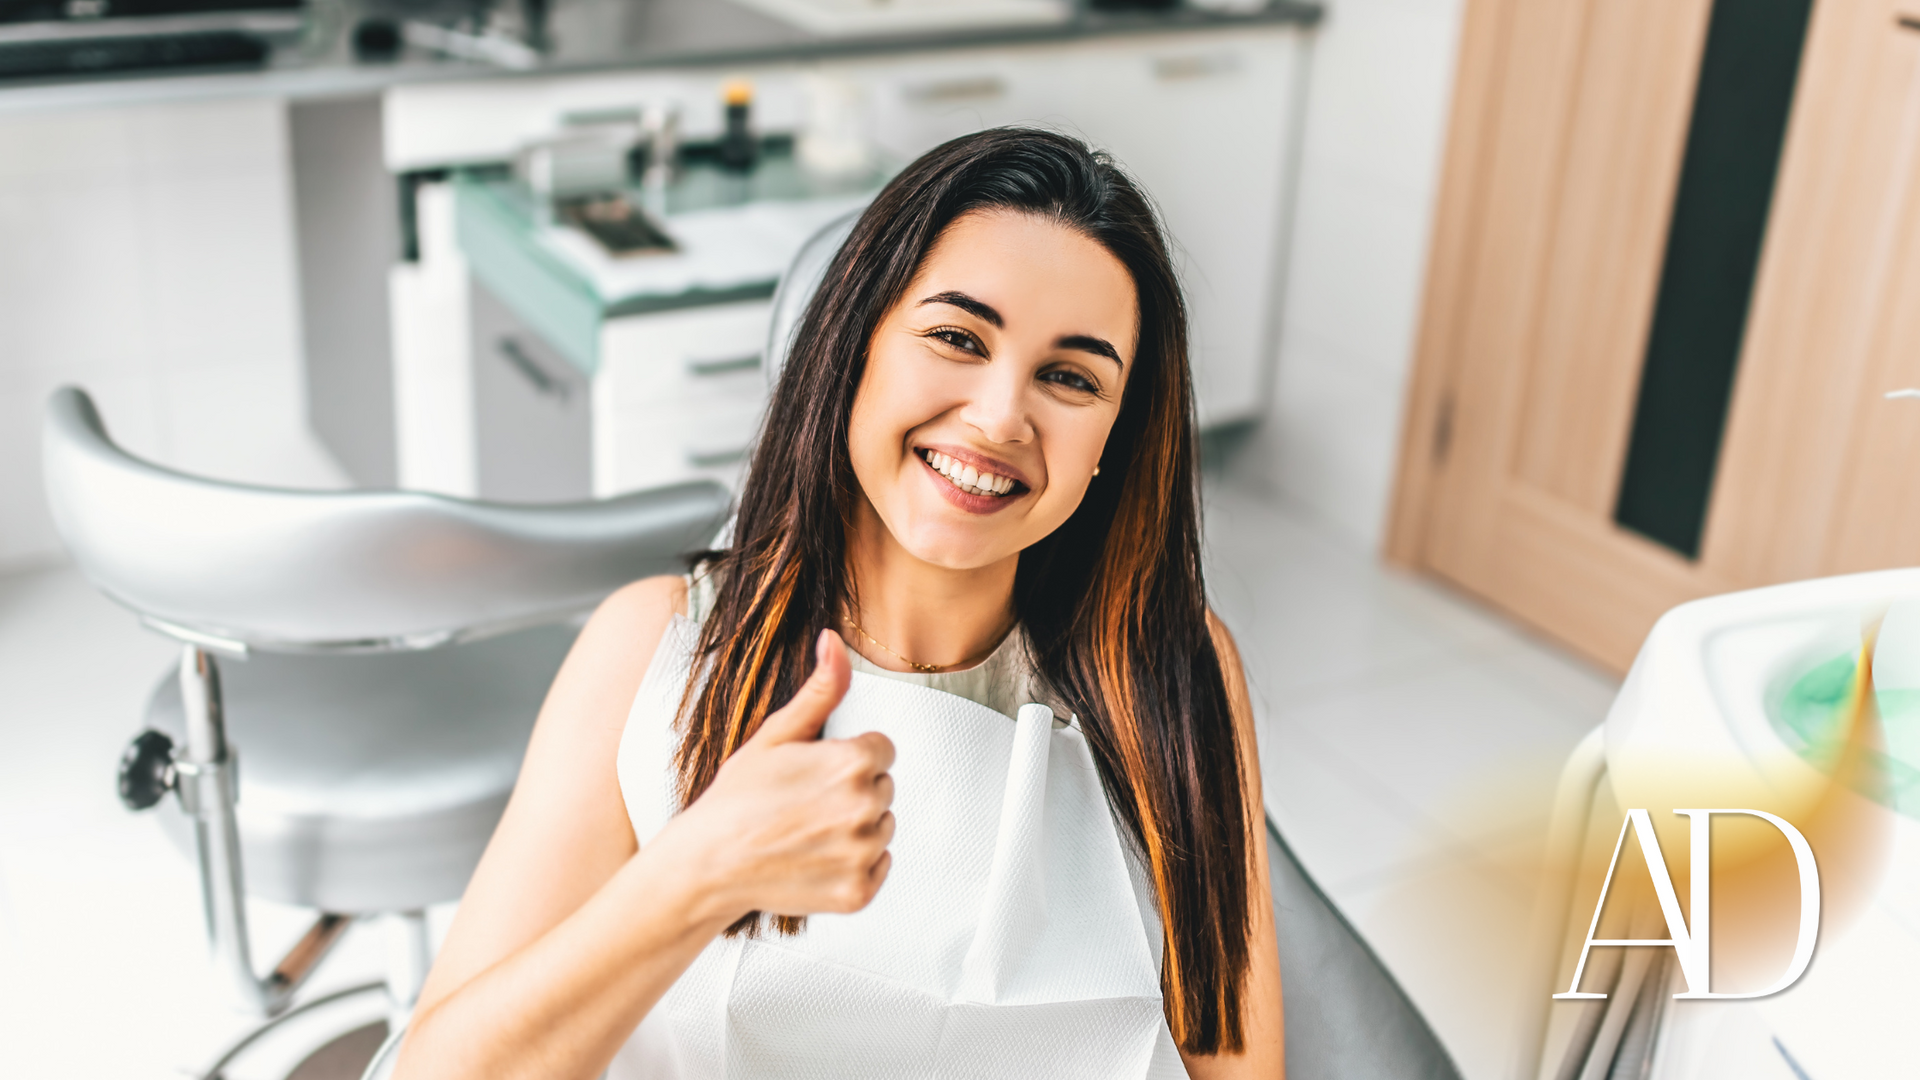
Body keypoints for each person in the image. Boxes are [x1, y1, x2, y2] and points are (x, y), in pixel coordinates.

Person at [395, 127, 1283, 1080]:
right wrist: (696, 873)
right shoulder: (655, 649)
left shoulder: (1167, 666)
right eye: (955, 337)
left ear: (1114, 438)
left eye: (1070, 377)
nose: (999, 416)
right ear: (851, 346)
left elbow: (1229, 1061)